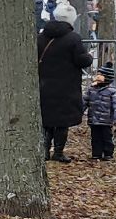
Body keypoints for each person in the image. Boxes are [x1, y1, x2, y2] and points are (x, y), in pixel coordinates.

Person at [37, 12, 93, 162]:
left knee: (46, 120)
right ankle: (59, 152)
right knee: (62, 122)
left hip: (44, 84)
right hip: (66, 86)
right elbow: (81, 60)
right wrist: (89, 57)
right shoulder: (73, 38)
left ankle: (44, 151)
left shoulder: (41, 37)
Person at [85, 63, 116, 161]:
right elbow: (84, 101)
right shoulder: (91, 89)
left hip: (106, 121)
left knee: (107, 138)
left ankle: (108, 154)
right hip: (94, 119)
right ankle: (96, 154)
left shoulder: (112, 91)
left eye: (101, 75)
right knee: (95, 138)